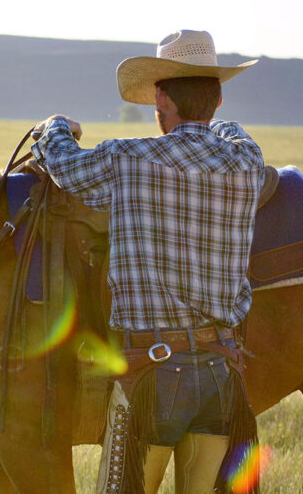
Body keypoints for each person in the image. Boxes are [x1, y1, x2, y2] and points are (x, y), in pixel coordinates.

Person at [30, 30, 265, 493]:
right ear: (218, 99)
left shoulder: (128, 157)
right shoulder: (247, 162)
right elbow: (233, 133)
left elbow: (63, 165)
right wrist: (218, 124)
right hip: (222, 373)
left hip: (154, 375)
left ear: (159, 97)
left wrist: (54, 125)